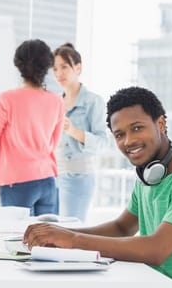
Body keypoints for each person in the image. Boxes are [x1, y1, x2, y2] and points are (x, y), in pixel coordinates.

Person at [24, 86, 172, 288]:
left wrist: (72, 239)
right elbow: (122, 228)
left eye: (137, 128)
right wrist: (55, 235)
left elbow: (157, 249)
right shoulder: (148, 176)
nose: (129, 141)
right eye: (119, 134)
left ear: (161, 124)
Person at [0, 39, 64, 216]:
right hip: (47, 180)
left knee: (18, 239)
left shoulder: (7, 99)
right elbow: (53, 143)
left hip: (17, 181)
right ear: (47, 66)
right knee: (48, 240)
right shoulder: (57, 100)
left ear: (19, 65)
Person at [52, 43, 107, 222]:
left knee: (69, 233)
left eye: (64, 67)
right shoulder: (54, 103)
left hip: (78, 176)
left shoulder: (93, 101)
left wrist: (72, 130)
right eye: (55, 69)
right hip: (52, 177)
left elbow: (102, 143)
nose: (59, 73)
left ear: (78, 67)